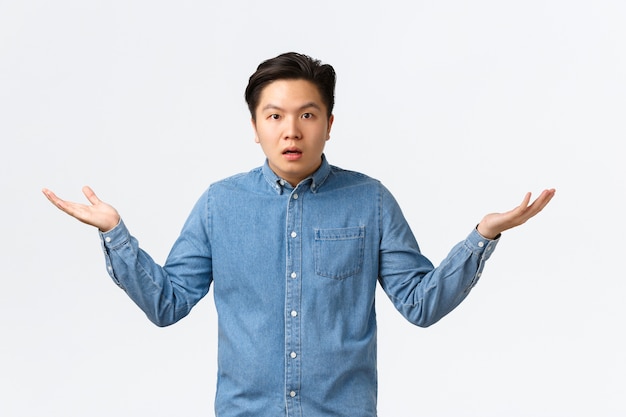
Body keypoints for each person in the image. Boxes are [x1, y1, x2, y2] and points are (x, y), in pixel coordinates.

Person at [43, 52, 555, 417]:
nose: (292, 130)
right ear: (255, 125)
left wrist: (483, 236)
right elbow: (168, 303)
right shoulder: (221, 204)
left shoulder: (370, 200)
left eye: (307, 115)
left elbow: (420, 304)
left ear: (329, 123)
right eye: (275, 116)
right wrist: (115, 233)